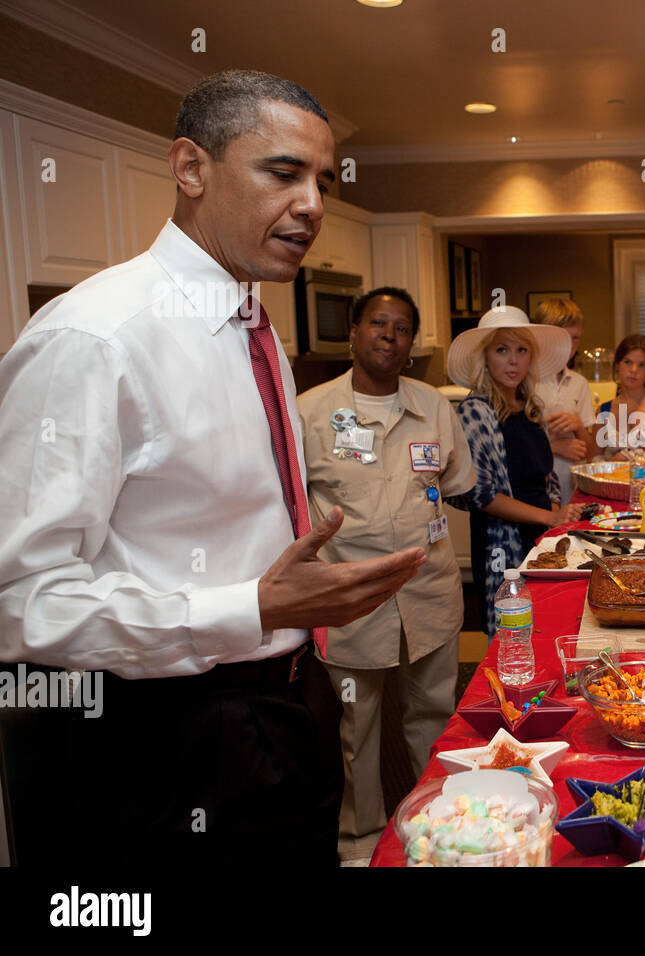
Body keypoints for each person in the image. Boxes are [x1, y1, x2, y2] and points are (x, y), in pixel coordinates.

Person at [0, 70, 425, 865]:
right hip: (165, 730)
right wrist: (245, 608)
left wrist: (290, 606)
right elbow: (22, 603)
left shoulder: (250, 321)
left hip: (288, 700)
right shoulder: (96, 339)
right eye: (283, 172)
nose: (313, 206)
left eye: (322, 181)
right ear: (191, 168)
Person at [298, 286, 476, 846]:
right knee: (357, 724)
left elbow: (454, 483)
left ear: (410, 343)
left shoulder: (434, 408)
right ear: (354, 332)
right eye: (378, 324)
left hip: (429, 592)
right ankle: (361, 837)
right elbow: (289, 498)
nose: (389, 336)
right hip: (347, 596)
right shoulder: (310, 412)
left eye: (401, 328)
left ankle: (443, 826)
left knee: (434, 713)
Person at [445, 307, 583, 634]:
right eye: (502, 350)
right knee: (512, 637)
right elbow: (479, 494)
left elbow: (546, 475)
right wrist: (549, 517)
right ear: (485, 358)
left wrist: (553, 522)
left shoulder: (531, 406)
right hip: (500, 546)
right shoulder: (476, 411)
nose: (513, 361)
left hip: (538, 539)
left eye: (522, 351)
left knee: (549, 628)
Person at [532, 297, 597, 503]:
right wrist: (553, 446)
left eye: (576, 337)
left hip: (571, 490)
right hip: (534, 490)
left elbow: (590, 453)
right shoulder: (526, 381)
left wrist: (578, 426)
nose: (570, 345)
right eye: (563, 337)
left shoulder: (579, 383)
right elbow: (509, 449)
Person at [593, 333, 645, 463]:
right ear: (617, 364)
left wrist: (627, 456)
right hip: (612, 481)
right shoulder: (604, 410)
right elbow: (594, 460)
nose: (634, 370)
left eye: (642, 365)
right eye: (628, 362)